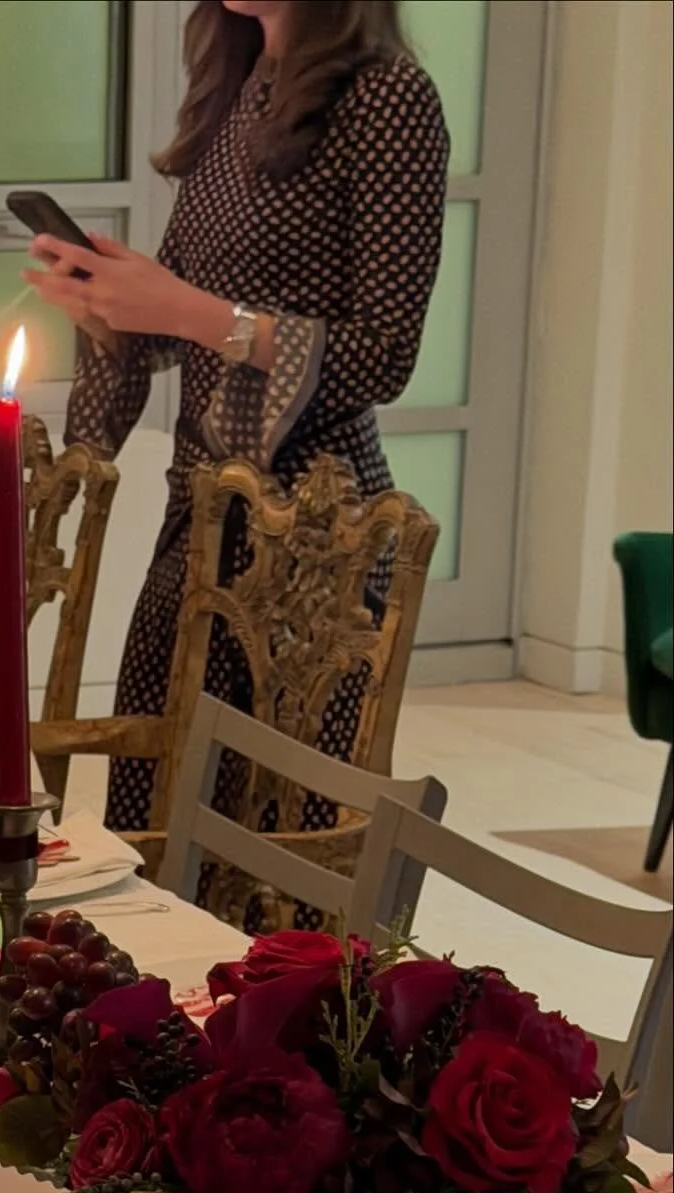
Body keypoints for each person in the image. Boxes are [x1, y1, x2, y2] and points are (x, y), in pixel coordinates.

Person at [25, 0, 448, 835]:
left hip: (314, 533)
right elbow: (181, 322)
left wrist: (188, 311)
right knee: (160, 800)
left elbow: (383, 356)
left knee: (270, 833)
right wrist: (107, 305)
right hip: (203, 518)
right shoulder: (243, 82)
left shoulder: (390, 96)